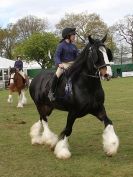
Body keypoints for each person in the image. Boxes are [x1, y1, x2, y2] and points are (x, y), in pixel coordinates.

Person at [48, 27, 79, 101]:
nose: (74, 36)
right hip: (63, 64)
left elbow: (77, 56)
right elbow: (56, 56)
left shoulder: (74, 46)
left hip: (73, 64)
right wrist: (59, 63)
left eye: (74, 35)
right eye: (73, 35)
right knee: (57, 75)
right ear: (68, 36)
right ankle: (51, 92)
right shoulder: (61, 45)